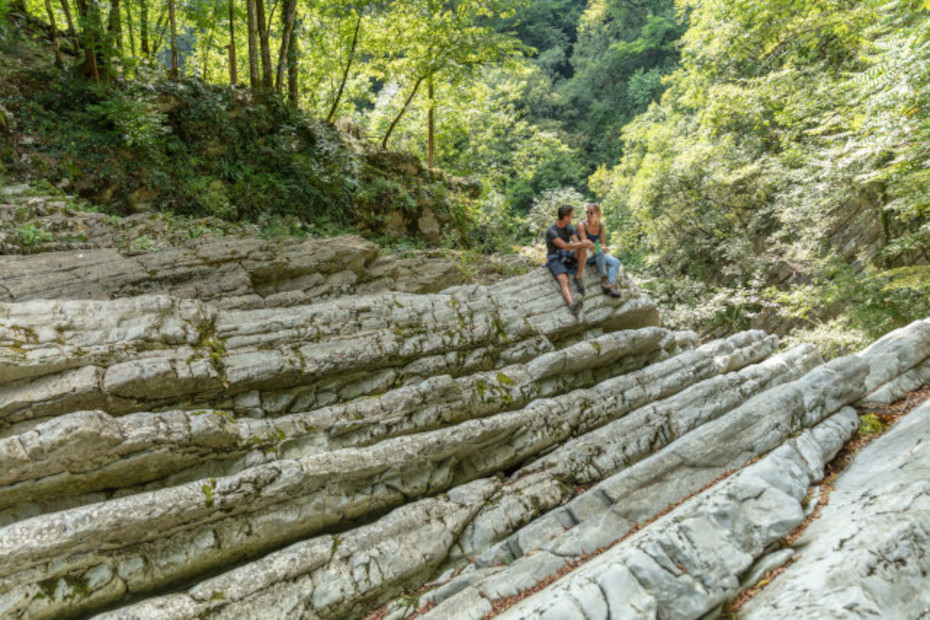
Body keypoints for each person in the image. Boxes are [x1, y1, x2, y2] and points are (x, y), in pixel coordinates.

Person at [545, 204, 595, 315]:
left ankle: (578, 277)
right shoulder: (551, 231)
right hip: (555, 257)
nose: (572, 218)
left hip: (566, 254)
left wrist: (586, 244)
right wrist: (583, 243)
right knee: (564, 281)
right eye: (571, 216)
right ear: (565, 217)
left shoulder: (569, 227)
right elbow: (565, 245)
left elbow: (576, 243)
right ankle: (572, 305)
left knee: (583, 248)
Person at [577, 203, 622, 298]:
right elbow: (585, 242)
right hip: (586, 255)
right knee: (600, 251)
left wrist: (603, 247)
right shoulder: (582, 225)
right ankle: (603, 278)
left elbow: (602, 242)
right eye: (587, 212)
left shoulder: (601, 226)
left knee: (616, 262)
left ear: (597, 213)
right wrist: (600, 247)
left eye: (591, 213)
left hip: (598, 253)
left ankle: (611, 285)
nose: (588, 214)